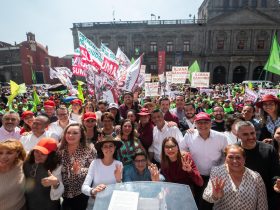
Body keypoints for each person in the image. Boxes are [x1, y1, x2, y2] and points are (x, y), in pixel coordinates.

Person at [180, 112, 228, 209]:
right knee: (197, 200)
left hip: (215, 175)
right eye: (199, 123)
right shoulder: (189, 135)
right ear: (195, 124)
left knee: (212, 201)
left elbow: (226, 154)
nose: (203, 125)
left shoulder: (221, 137)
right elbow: (181, 150)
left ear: (210, 123)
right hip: (196, 175)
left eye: (206, 122)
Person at [203, 144, 268, 210]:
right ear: (225, 158)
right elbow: (206, 196)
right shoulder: (217, 172)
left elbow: (262, 205)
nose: (234, 161)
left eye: (238, 157)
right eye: (230, 157)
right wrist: (214, 196)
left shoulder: (255, 177)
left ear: (244, 159)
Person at [236, 121, 280, 210]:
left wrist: (276, 182)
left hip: (268, 196)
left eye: (252, 133)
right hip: (243, 198)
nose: (251, 137)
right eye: (245, 134)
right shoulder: (234, 151)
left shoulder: (268, 149)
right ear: (238, 135)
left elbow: (275, 171)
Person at [57, 123, 97, 210]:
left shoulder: (89, 149)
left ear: (81, 135)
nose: (70, 135)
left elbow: (94, 170)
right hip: (64, 191)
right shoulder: (60, 149)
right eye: (68, 132)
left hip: (81, 192)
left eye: (75, 133)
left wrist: (80, 170)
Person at [81, 135, 123, 210]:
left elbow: (120, 190)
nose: (108, 148)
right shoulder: (95, 163)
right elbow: (84, 187)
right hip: (95, 203)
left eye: (111, 146)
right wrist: (93, 191)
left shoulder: (119, 164)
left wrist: (118, 180)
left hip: (112, 204)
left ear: (115, 148)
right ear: (102, 149)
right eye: (105, 146)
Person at [23, 138, 63, 210]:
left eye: (43, 154)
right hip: (29, 205)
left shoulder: (56, 167)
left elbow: (57, 195)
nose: (38, 155)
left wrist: (56, 183)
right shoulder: (27, 161)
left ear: (51, 155)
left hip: (49, 207)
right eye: (36, 151)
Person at [0, 139, 26, 210]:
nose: (3, 157)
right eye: (0, 153)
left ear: (17, 154)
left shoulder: (21, 164)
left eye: (9, 153)